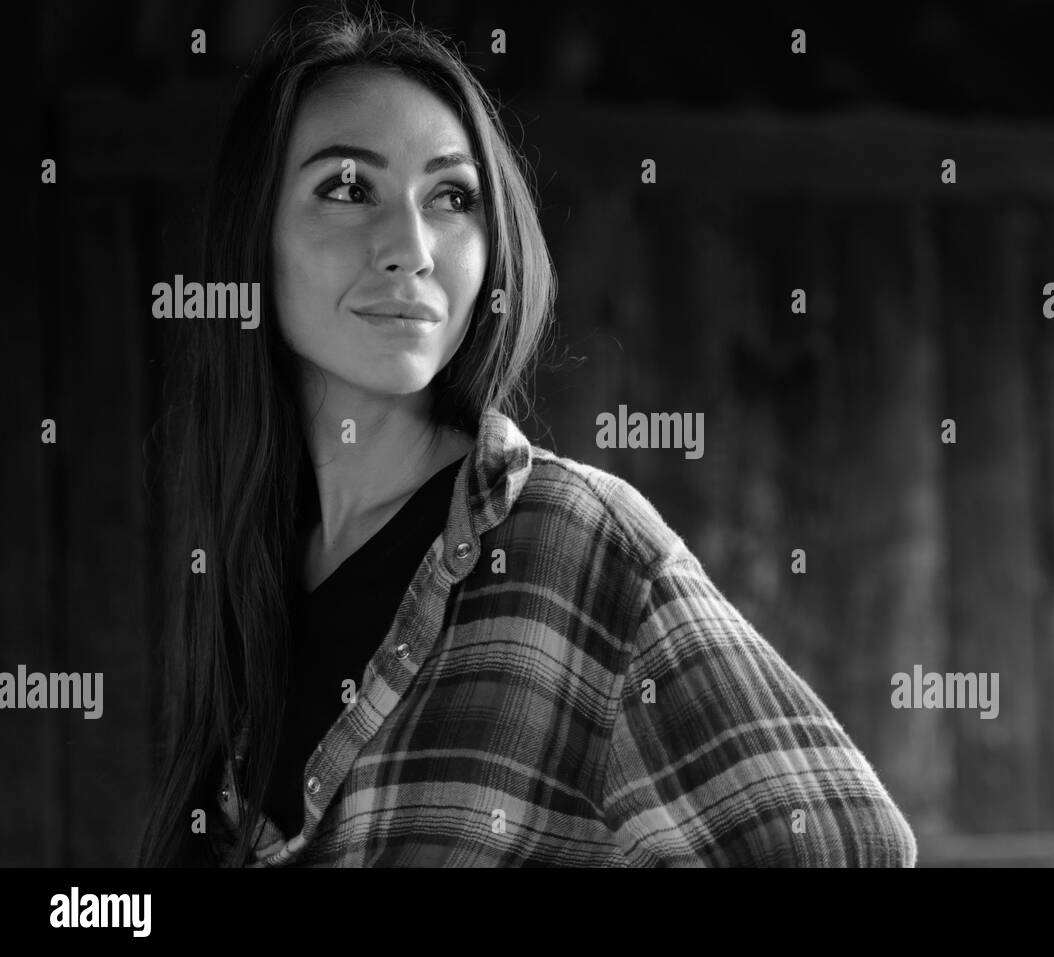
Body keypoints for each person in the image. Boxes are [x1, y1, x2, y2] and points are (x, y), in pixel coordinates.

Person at [136, 6, 918, 868]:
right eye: (349, 188)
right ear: (254, 240)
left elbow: (853, 848)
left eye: (452, 197)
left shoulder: (579, 542)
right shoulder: (245, 580)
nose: (412, 246)